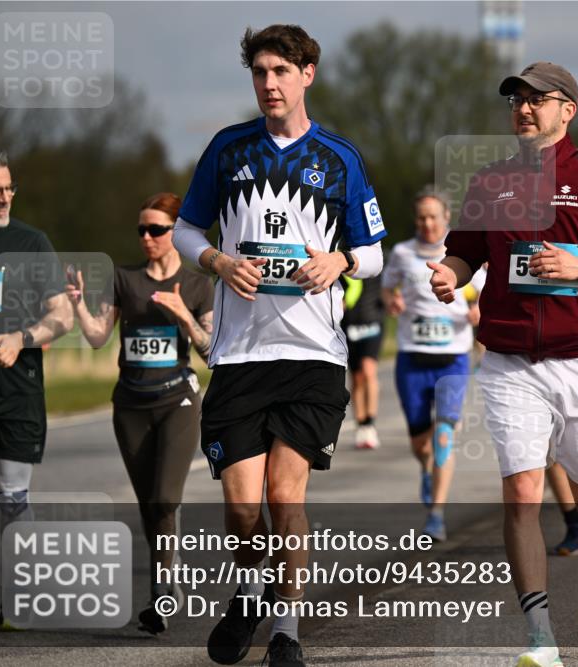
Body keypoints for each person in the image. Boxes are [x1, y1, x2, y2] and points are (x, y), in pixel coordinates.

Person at [429, 61, 578, 667]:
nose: (525, 109)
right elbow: (465, 252)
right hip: (510, 362)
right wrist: (449, 276)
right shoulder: (490, 181)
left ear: (568, 110)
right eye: (517, 101)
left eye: (538, 99)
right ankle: (539, 638)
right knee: (521, 493)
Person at [171, 25, 386, 667]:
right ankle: (250, 593)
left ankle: (287, 631)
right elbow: (185, 231)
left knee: (286, 496)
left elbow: (374, 252)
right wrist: (217, 261)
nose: (269, 83)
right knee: (242, 508)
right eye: (260, 72)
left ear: (307, 74)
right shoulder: (228, 148)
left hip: (313, 356)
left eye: (281, 71)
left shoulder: (340, 158)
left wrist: (340, 261)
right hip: (240, 355)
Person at [65, 192, 214, 634]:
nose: (147, 237)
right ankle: (169, 572)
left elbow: (209, 351)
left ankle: (161, 595)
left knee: (165, 498)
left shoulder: (198, 285)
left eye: (156, 230)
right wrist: (78, 304)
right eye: (141, 230)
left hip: (177, 401)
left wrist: (184, 315)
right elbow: (98, 337)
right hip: (130, 404)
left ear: (176, 233)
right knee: (150, 503)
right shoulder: (124, 278)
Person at [0, 147, 73, 630]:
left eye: (9, 188)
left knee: (10, 498)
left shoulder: (31, 243)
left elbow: (62, 316)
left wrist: (20, 338)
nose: (5, 197)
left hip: (17, 388)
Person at [381, 186, 482, 542]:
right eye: (421, 218)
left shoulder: (464, 253)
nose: (427, 224)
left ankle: (436, 514)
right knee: (421, 444)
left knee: (444, 437)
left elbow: (484, 293)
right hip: (413, 356)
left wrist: (478, 310)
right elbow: (387, 288)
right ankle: (426, 470)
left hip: (453, 358)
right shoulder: (402, 253)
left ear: (446, 217)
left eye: (433, 217)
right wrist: (391, 301)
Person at [341, 275, 384, 449]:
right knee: (357, 377)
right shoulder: (340, 266)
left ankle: (370, 423)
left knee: (368, 370)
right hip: (348, 323)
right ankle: (361, 425)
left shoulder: (379, 264)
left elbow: (391, 285)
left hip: (372, 322)